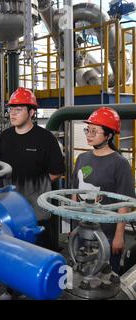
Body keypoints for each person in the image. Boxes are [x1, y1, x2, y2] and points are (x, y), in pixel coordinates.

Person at [0, 87, 65, 250]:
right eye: (11, 109)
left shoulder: (46, 139)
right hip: (8, 211)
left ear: (32, 112)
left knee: (38, 251)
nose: (12, 113)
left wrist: (33, 188)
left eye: (18, 110)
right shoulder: (4, 138)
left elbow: (57, 172)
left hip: (36, 213)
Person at [72, 107, 135, 273]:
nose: (89, 134)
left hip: (106, 234)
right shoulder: (82, 158)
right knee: (82, 273)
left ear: (108, 135)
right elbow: (74, 193)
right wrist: (74, 225)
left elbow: (124, 203)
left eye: (94, 131)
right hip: (82, 228)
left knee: (105, 278)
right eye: (88, 130)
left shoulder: (119, 163)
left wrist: (119, 236)